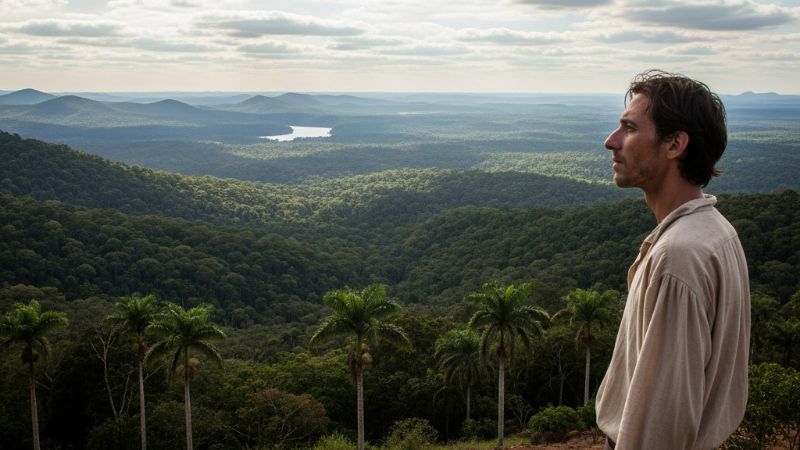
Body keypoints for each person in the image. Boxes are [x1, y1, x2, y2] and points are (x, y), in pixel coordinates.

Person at [595, 70, 750, 450]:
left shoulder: (677, 258)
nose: (611, 141)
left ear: (675, 144)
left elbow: (661, 423)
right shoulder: (717, 232)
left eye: (630, 128)